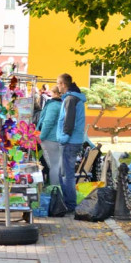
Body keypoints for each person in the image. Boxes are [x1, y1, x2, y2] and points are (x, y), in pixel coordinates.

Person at [56, 74, 87, 212]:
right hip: (74, 140)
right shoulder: (74, 98)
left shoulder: (70, 99)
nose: (57, 86)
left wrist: (63, 138)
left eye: (58, 83)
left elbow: (69, 122)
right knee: (67, 173)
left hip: (69, 141)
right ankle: (70, 203)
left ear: (63, 84)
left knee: (66, 174)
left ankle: (70, 204)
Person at [38, 86, 63, 196]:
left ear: (55, 93)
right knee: (56, 165)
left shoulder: (53, 105)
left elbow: (48, 122)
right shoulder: (62, 104)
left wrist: (41, 136)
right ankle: (57, 191)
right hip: (57, 138)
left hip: (50, 138)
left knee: (54, 166)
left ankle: (54, 193)